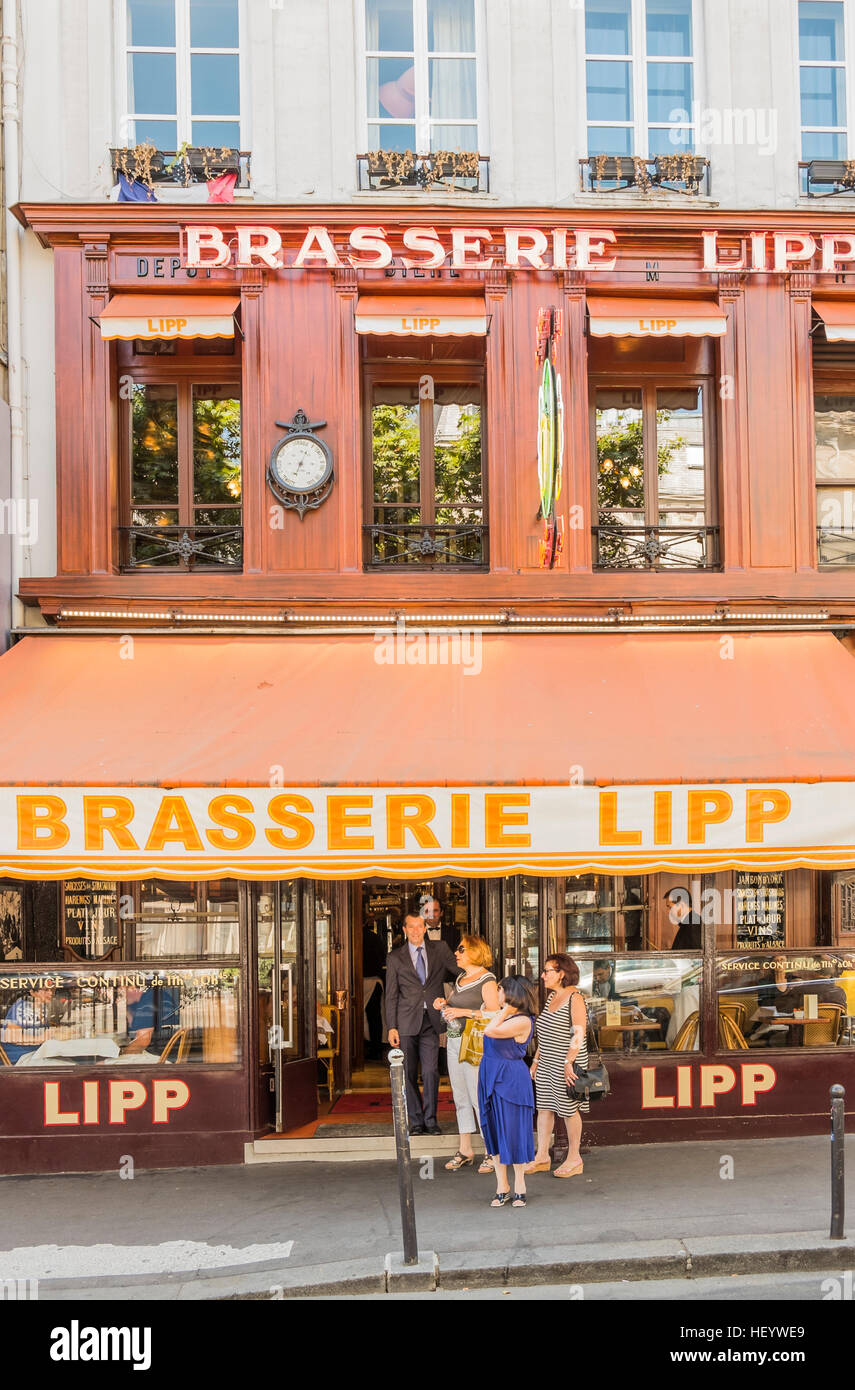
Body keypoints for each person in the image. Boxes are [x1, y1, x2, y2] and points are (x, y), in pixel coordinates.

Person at [385, 909, 457, 1136]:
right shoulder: (395, 957)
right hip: (405, 1022)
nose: (416, 931)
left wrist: (482, 976)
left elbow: (459, 972)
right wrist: (391, 1026)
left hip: (431, 1021)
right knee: (407, 1073)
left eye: (420, 926)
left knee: (431, 1072)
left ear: (425, 928)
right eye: (411, 927)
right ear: (404, 930)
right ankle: (416, 1121)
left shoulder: (440, 949)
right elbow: (391, 995)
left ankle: (431, 1119)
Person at [433, 934, 500, 1173]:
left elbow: (495, 1013)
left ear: (474, 952)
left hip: (474, 1044)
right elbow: (453, 1008)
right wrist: (444, 1004)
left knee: (477, 1096)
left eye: (461, 949)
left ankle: (492, 1152)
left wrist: (463, 1011)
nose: (456, 953)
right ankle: (466, 1149)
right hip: (454, 1040)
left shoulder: (487, 981)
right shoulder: (461, 978)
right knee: (460, 1096)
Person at [527, 953, 589, 1178]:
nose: (542, 975)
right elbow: (545, 1034)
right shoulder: (551, 997)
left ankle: (575, 1158)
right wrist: (535, 1061)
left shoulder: (575, 998)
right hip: (548, 1062)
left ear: (561, 973)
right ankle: (542, 1156)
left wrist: (569, 1062)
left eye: (547, 971)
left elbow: (578, 1033)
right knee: (544, 1107)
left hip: (566, 1063)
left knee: (568, 1109)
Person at [478, 975, 537, 1208]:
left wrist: (504, 1011)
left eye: (500, 990)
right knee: (492, 1129)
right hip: (490, 1074)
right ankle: (502, 1185)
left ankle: (519, 1184)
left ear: (512, 994)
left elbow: (491, 1032)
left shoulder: (522, 1020)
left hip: (510, 1079)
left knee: (513, 1132)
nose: (497, 994)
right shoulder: (509, 1017)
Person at [1, 981, 55, 1064]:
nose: (50, 993)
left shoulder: (43, 1008)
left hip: (37, 1054)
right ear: (32, 992)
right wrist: (42, 1038)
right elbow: (11, 1036)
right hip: (20, 1058)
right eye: (46, 990)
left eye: (52, 989)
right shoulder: (21, 1007)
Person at [362, 920, 386, 1061]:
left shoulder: (355, 937)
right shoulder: (374, 937)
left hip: (367, 981)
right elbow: (382, 958)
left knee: (370, 1017)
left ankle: (369, 1047)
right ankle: (375, 1048)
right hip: (375, 980)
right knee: (374, 1017)